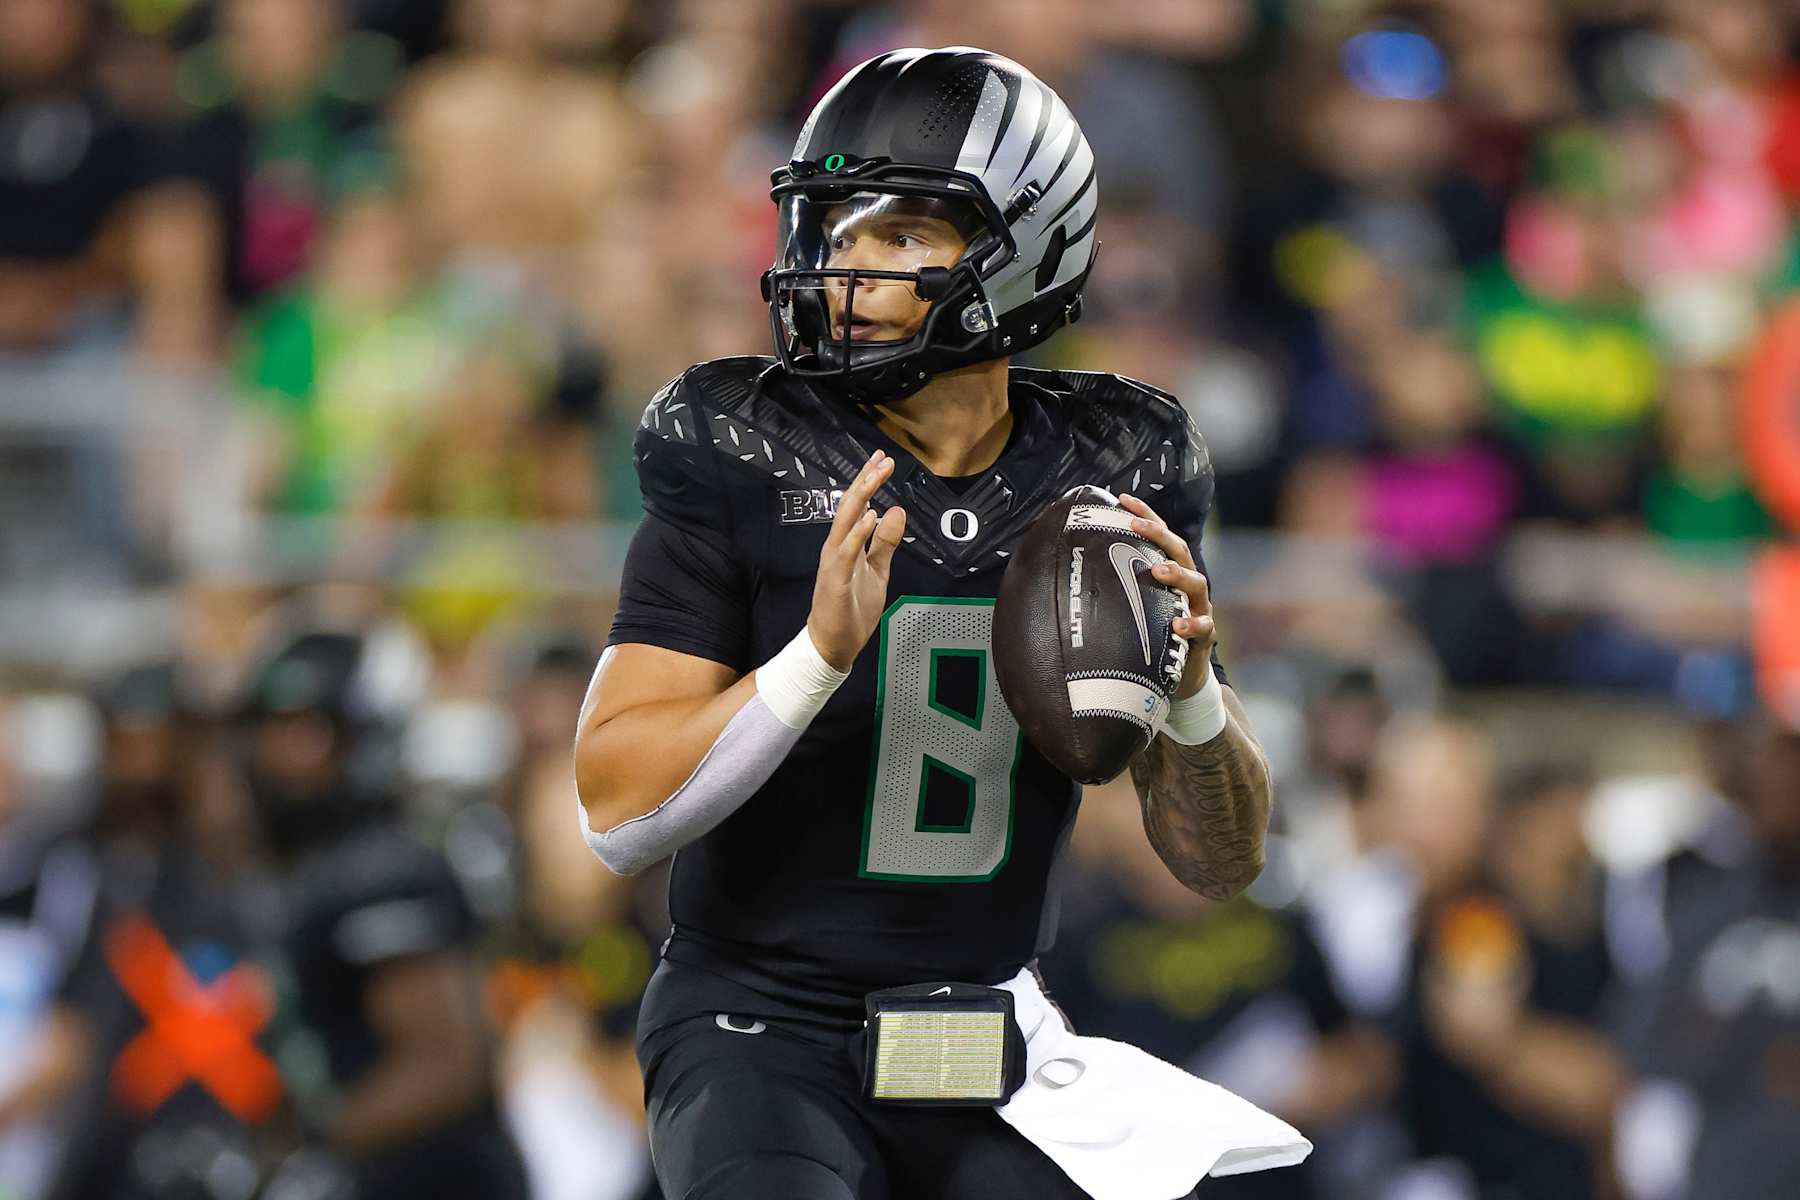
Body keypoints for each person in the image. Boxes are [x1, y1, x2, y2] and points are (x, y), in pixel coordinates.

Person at [575, 47, 1304, 1200]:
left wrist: (1194, 693)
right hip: (759, 1021)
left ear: (1025, 248)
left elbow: (1220, 864)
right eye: (838, 226)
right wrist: (812, 659)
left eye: (904, 231)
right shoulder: (744, 446)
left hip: (979, 1034)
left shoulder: (1119, 469)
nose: (849, 265)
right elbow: (615, 813)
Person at [231, 627, 528, 1199]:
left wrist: (314, 1151)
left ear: (363, 735)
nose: (282, 754)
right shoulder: (302, 866)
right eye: (271, 730)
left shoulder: (384, 868)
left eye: (308, 731)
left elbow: (443, 1065)